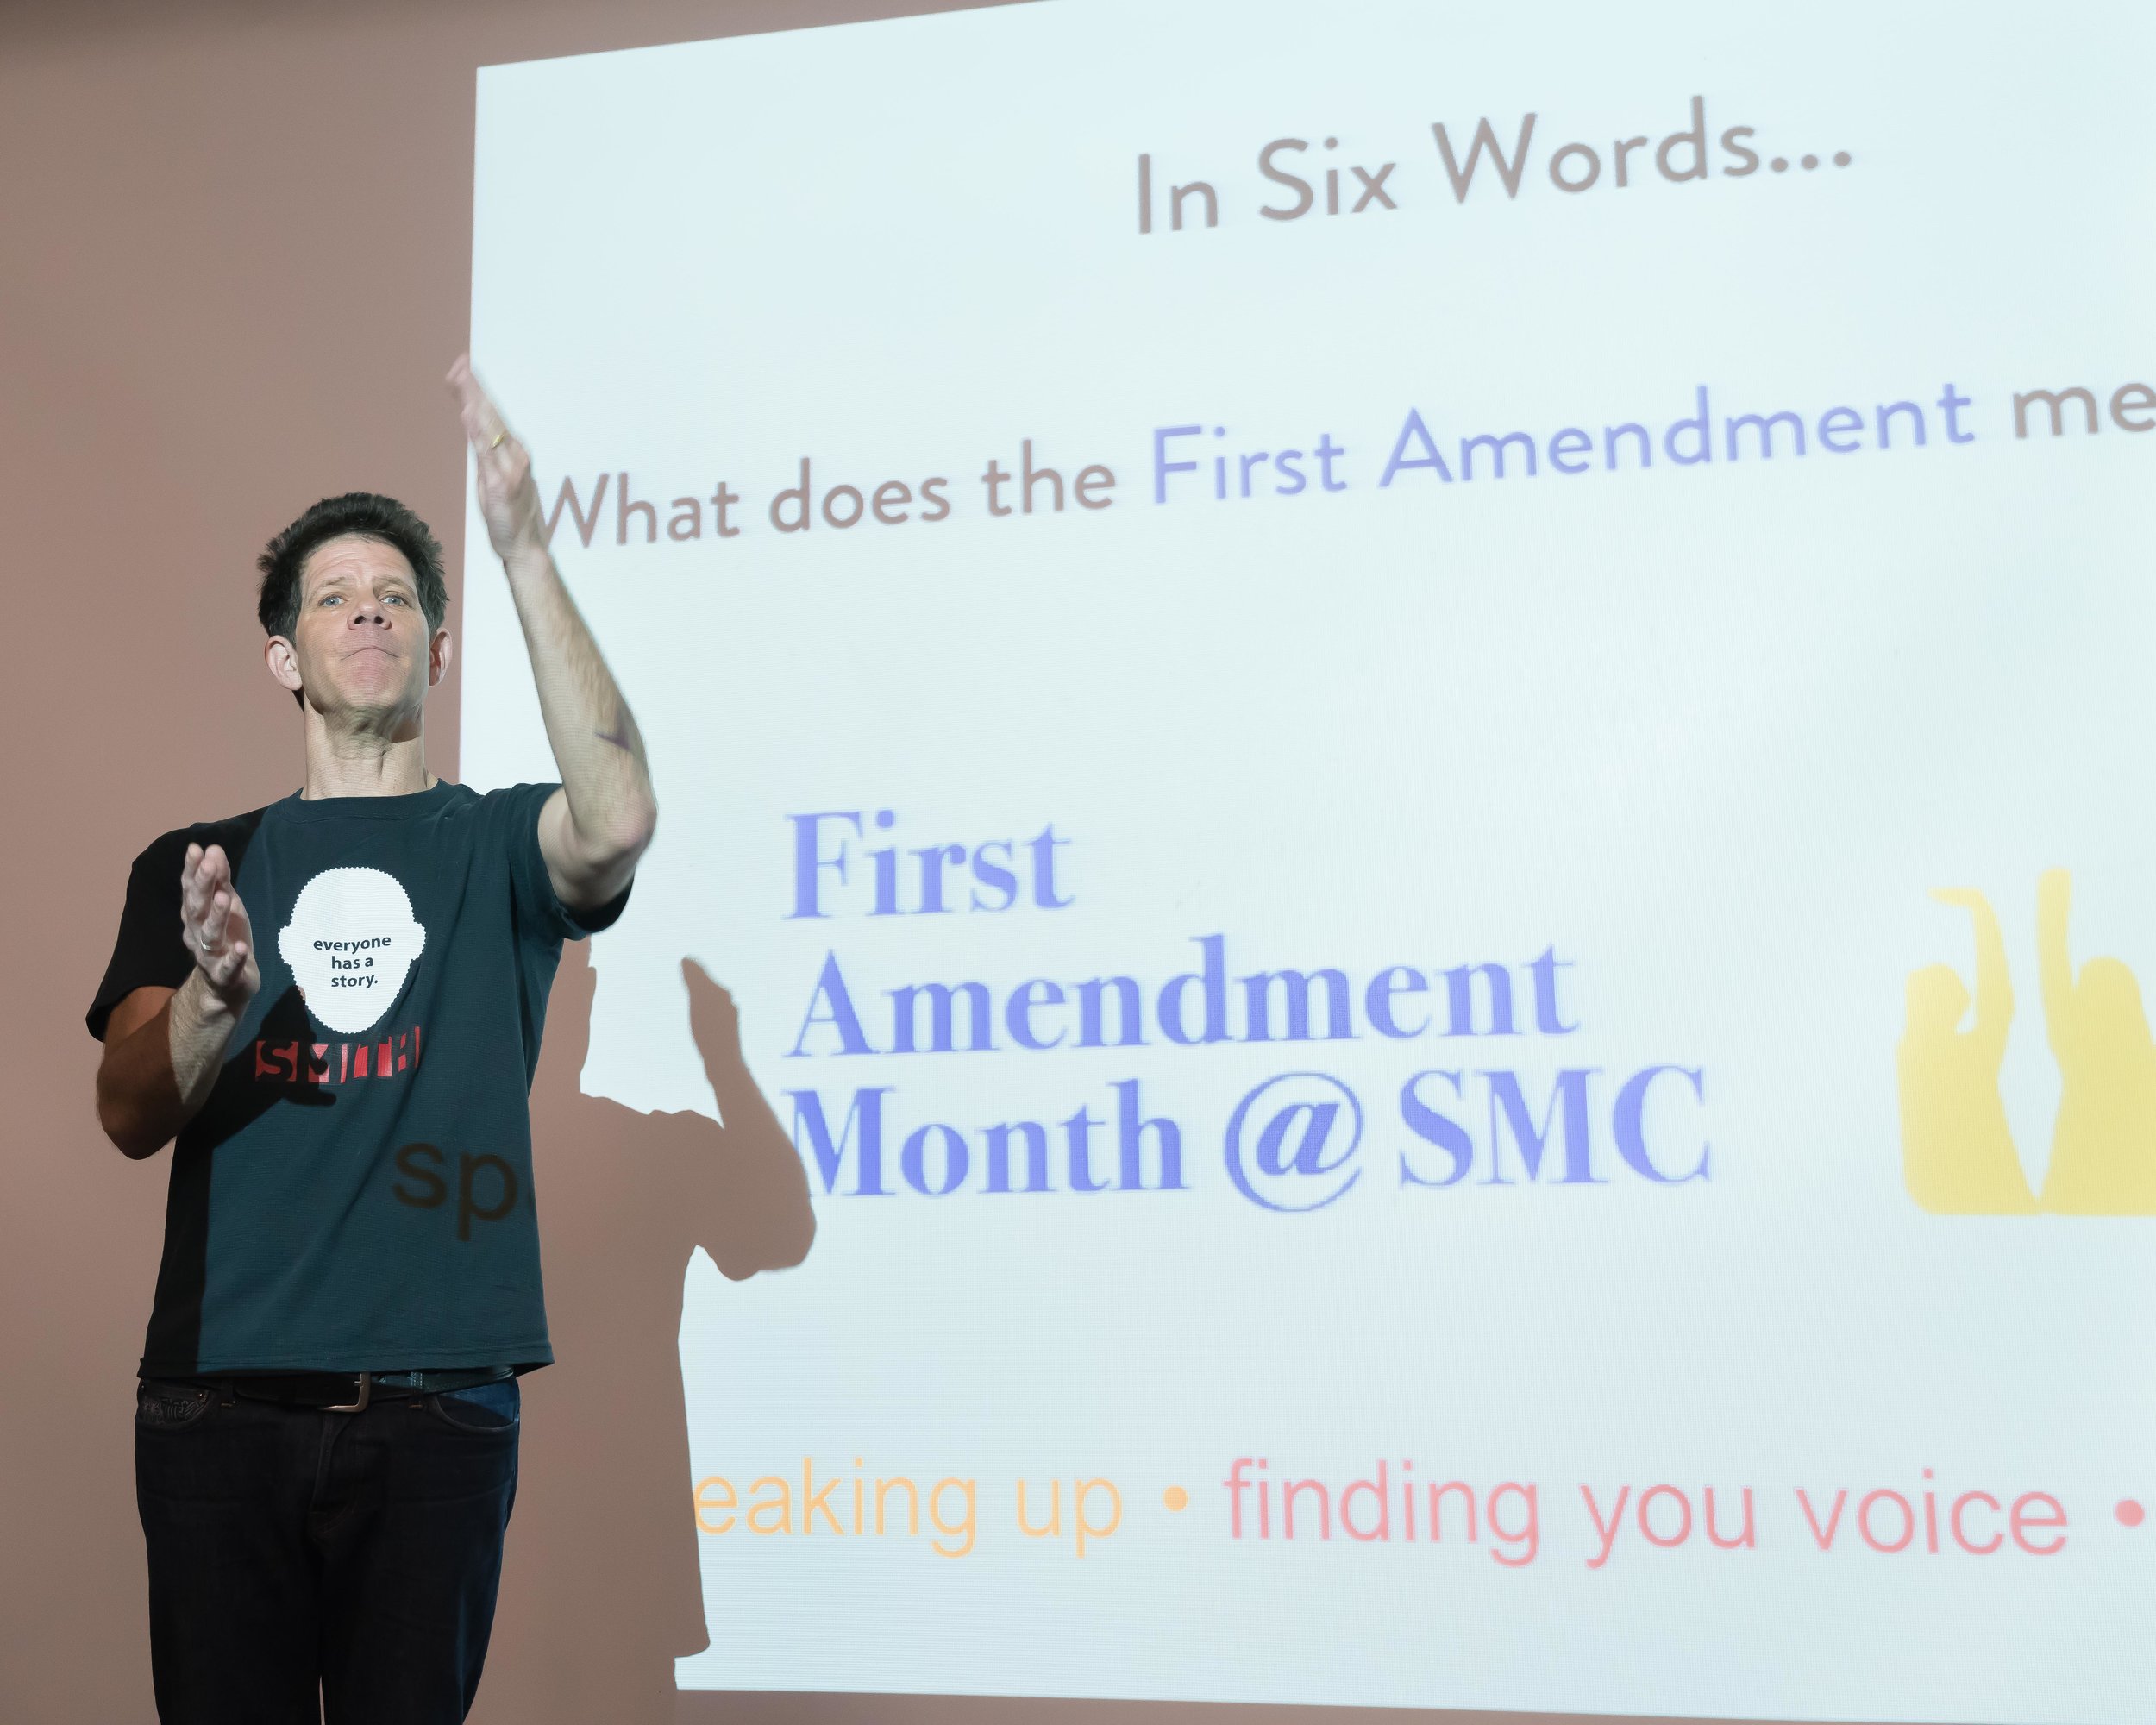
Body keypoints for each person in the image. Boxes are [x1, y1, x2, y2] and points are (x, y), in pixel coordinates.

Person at [85, 358, 656, 1723]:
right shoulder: (200, 860)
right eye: (334, 597)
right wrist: (217, 1006)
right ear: (284, 653)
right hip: (218, 1410)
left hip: (439, 1408)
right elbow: (124, 1108)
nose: (369, 613)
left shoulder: (501, 846)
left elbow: (621, 816)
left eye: (396, 596)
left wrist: (521, 550)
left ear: (436, 648)